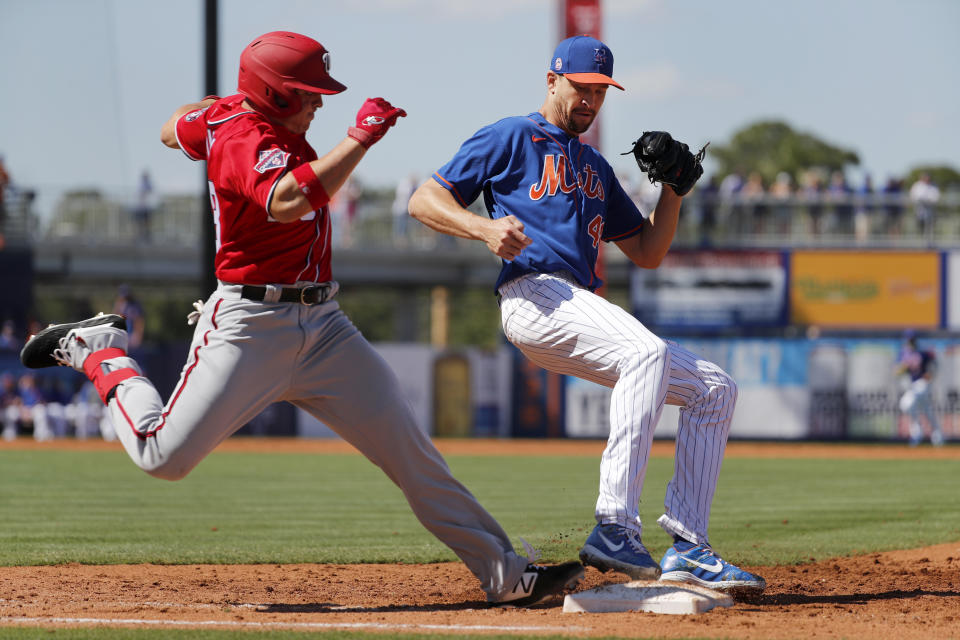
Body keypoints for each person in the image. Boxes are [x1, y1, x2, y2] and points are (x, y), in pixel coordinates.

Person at [19, 30, 581, 606]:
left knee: (411, 453)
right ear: (275, 94)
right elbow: (287, 201)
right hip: (248, 327)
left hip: (325, 328)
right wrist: (359, 140)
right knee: (163, 457)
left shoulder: (228, 119)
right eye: (309, 92)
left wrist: (208, 111)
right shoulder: (243, 136)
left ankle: (506, 573)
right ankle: (99, 350)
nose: (320, 101)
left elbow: (172, 129)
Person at [408, 35, 764, 595]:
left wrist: (675, 188)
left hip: (578, 304)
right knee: (644, 350)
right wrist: (483, 228)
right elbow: (424, 200)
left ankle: (690, 547)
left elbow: (647, 251)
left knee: (714, 389)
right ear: (552, 81)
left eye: (601, 91)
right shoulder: (510, 137)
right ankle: (614, 524)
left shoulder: (595, 165)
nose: (591, 101)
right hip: (532, 294)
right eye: (582, 88)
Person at [896, 331, 944, 446]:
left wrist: (930, 375)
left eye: (912, 339)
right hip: (912, 385)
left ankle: (921, 434)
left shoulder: (922, 353)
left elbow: (934, 365)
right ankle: (934, 435)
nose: (910, 341)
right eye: (909, 339)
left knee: (906, 404)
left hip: (922, 384)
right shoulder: (903, 353)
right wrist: (904, 366)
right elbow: (897, 371)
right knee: (926, 410)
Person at [908, 173, 940, 244]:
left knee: (930, 228)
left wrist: (928, 201)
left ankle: (929, 243)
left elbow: (935, 197)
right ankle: (919, 242)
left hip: (930, 212)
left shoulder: (933, 186)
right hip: (919, 211)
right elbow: (913, 196)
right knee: (919, 227)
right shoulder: (916, 185)